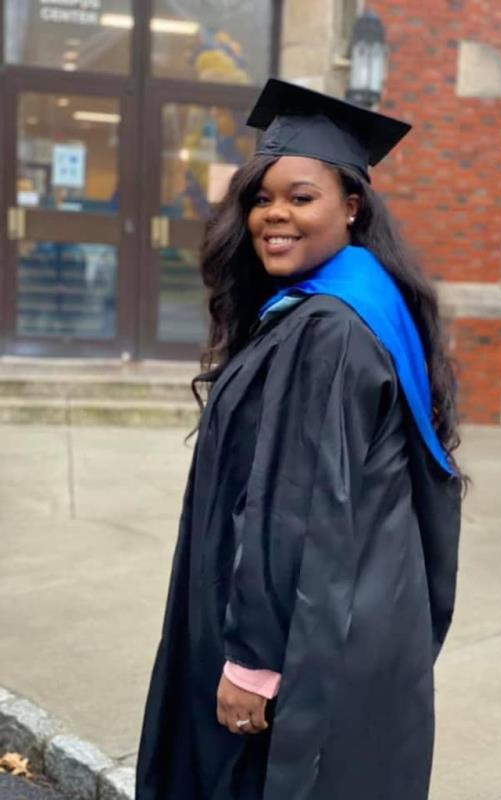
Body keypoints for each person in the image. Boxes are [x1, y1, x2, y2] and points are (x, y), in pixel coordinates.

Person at [135, 78, 463, 800]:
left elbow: (292, 508)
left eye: (301, 196)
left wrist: (250, 666)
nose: (274, 215)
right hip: (360, 620)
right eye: (261, 198)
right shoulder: (365, 306)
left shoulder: (328, 332)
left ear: (352, 206)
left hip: (299, 641)